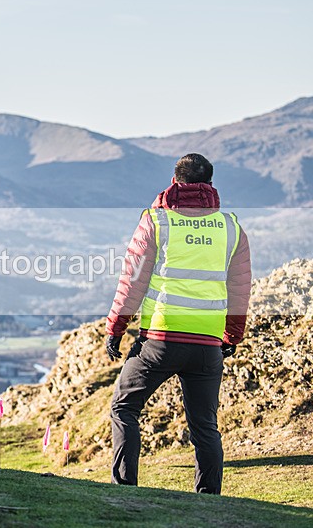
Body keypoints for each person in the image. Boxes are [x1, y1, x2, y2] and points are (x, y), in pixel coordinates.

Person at [105, 153, 252, 494]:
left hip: (161, 340)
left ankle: (125, 489)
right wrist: (232, 335)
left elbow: (133, 280)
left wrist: (116, 328)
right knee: (205, 426)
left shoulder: (157, 221)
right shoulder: (231, 227)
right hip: (208, 345)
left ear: (175, 181)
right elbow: (240, 288)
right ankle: (209, 499)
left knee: (124, 407)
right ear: (210, 185)